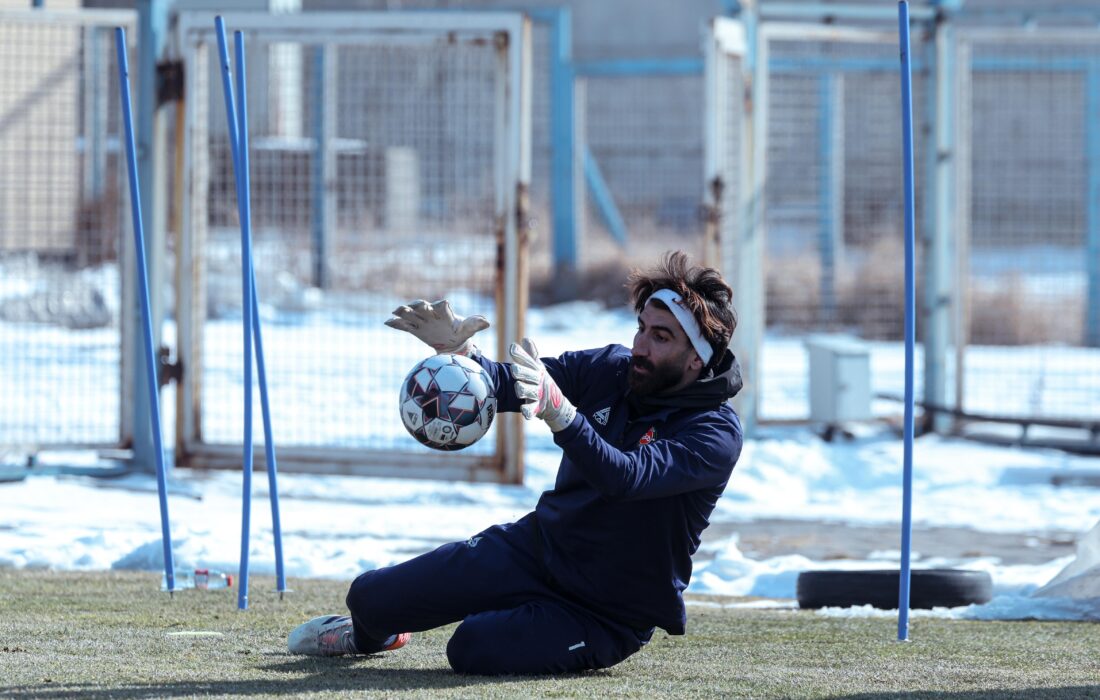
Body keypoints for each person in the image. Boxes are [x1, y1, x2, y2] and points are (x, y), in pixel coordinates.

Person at [287, 251, 744, 675]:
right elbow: (517, 383)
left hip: (605, 612)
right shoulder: (612, 368)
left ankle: (515, 619)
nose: (640, 346)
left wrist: (562, 414)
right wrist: (466, 360)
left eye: (660, 337)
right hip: (536, 549)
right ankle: (370, 636)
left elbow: (623, 477)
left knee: (472, 647)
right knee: (369, 596)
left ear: (697, 358)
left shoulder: (714, 433)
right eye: (641, 328)